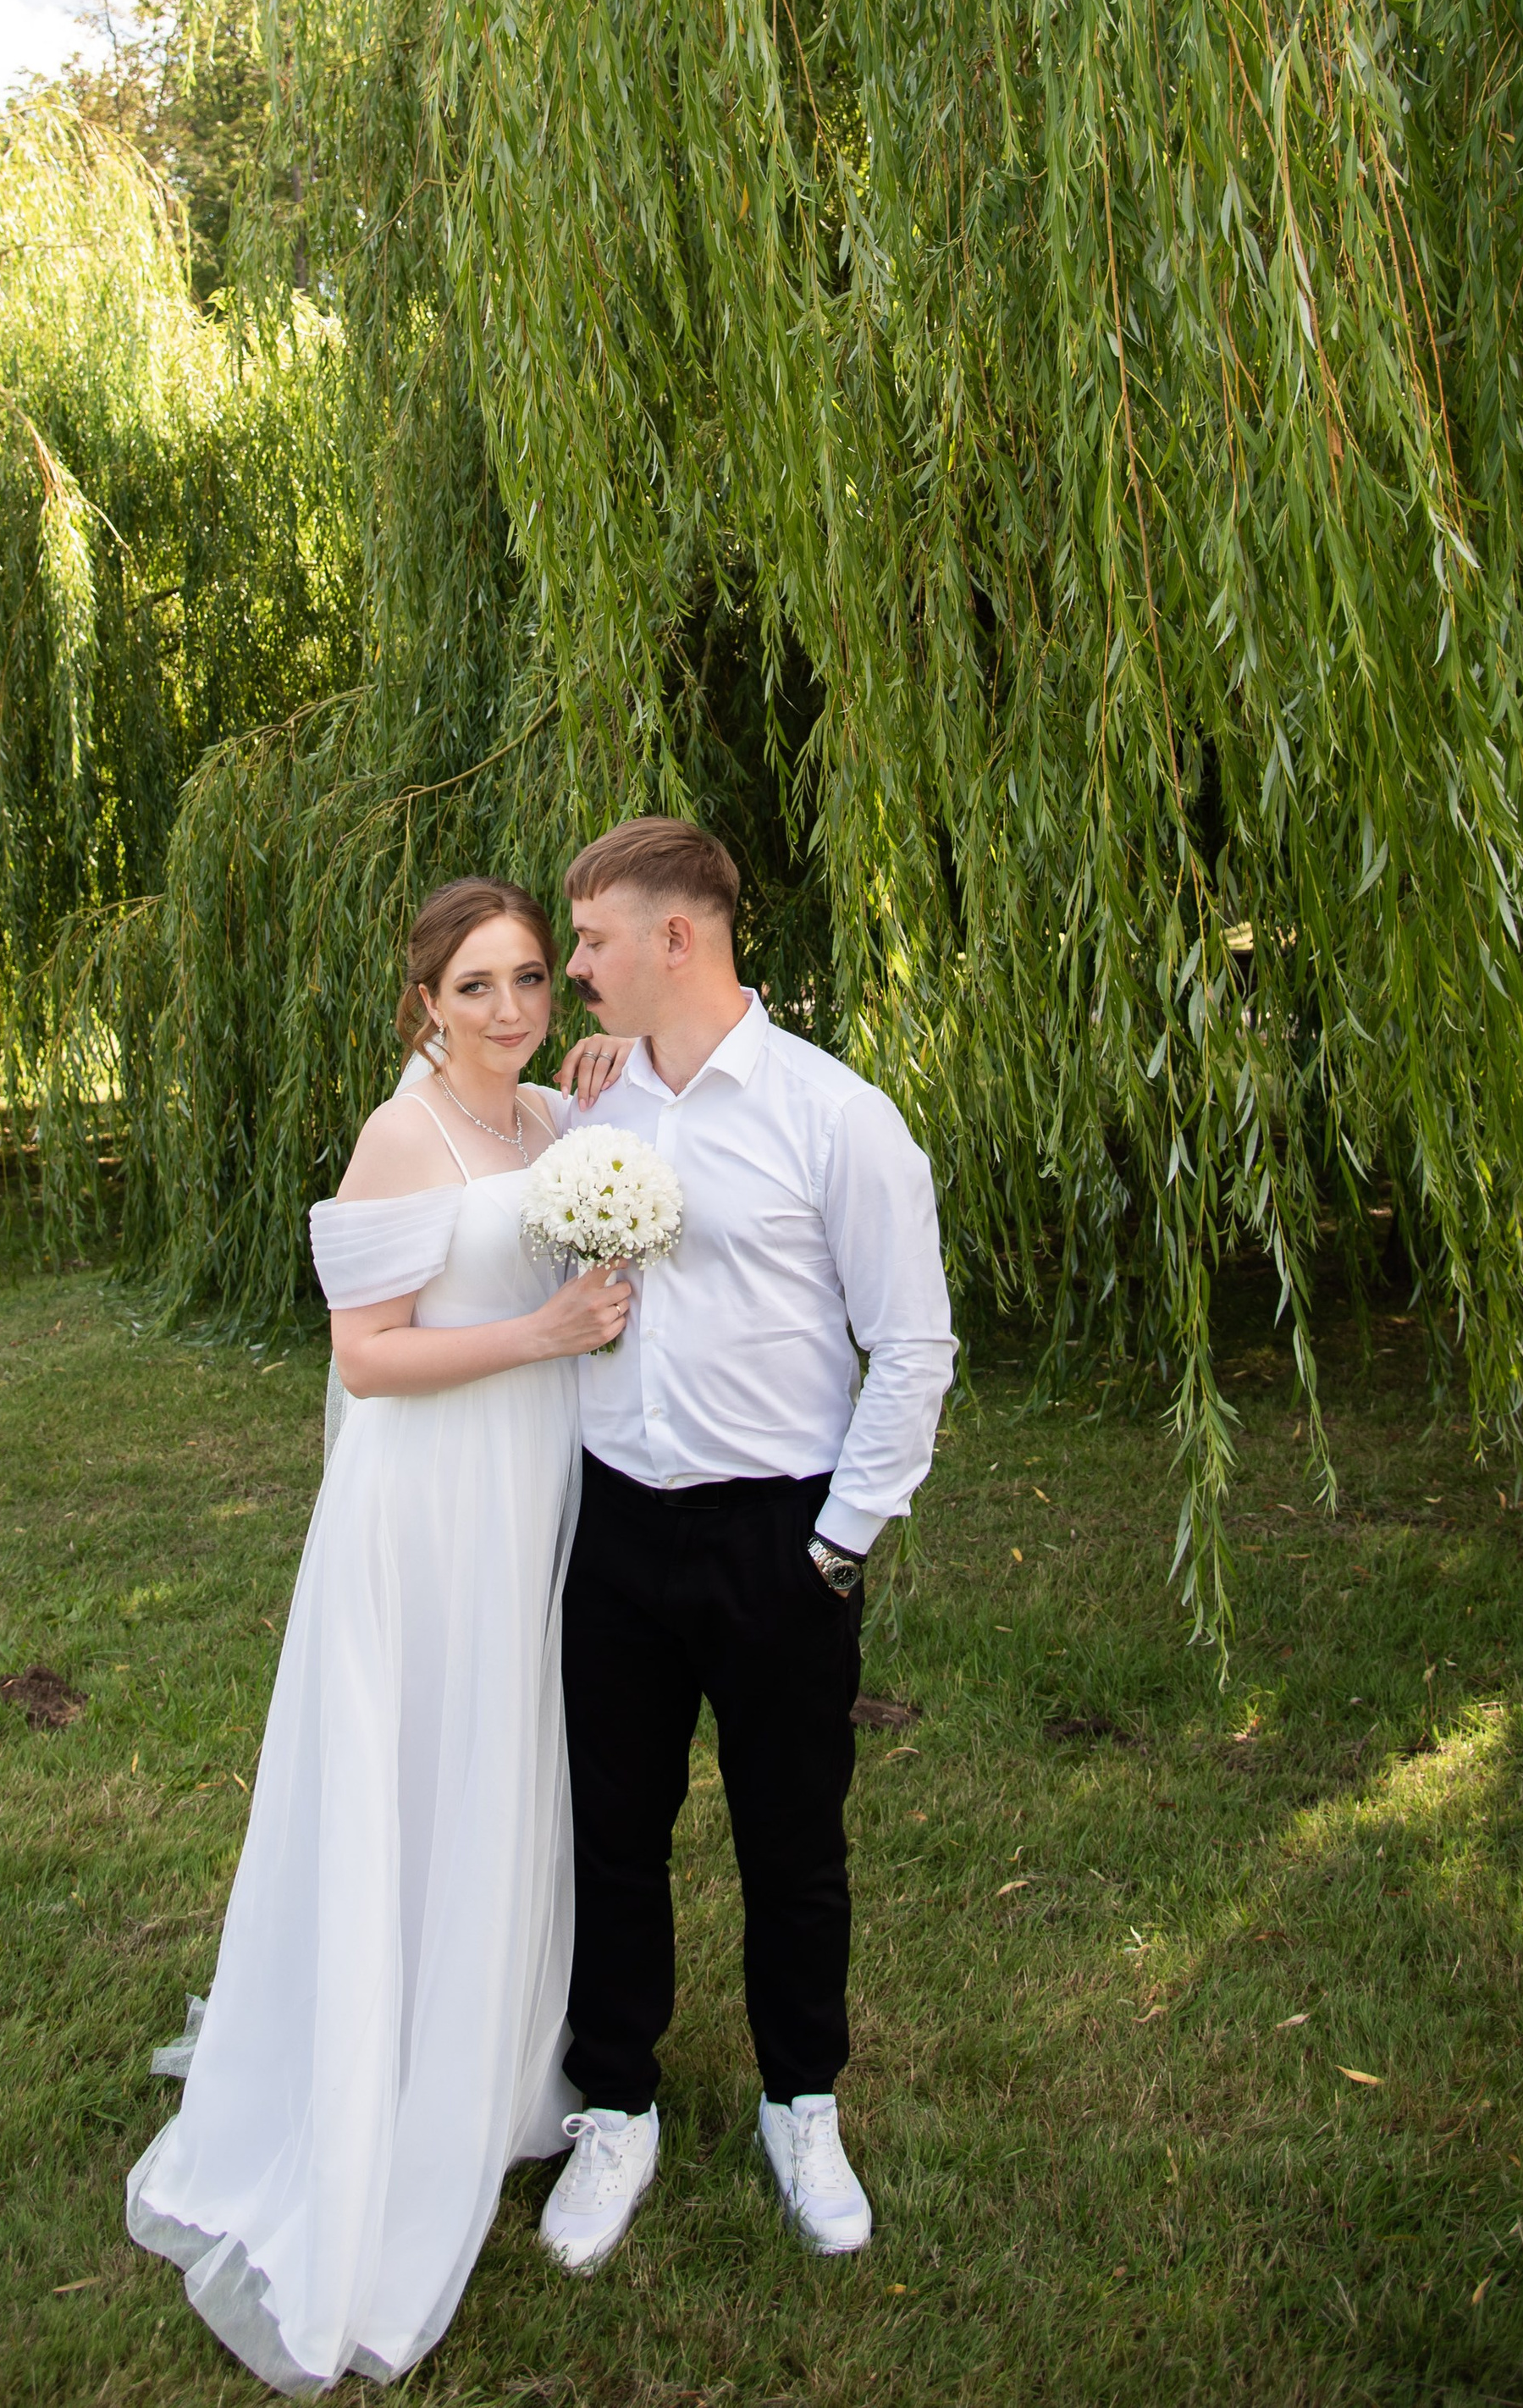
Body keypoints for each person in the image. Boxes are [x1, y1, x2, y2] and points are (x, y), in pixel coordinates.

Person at [126, 878, 634, 2393]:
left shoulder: (551, 1116)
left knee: (507, 1761)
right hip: (425, 1508)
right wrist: (545, 1334)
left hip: (532, 1491)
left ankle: (489, 2050)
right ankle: (377, 2073)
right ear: (424, 1000)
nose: (510, 1008)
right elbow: (368, 1351)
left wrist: (597, 1082)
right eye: (474, 985)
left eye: (531, 977)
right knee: (420, 1764)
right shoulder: (399, 1132)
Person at [537, 815, 954, 2275]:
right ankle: (617, 2105)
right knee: (612, 1828)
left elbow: (911, 1347)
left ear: (677, 939)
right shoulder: (587, 1113)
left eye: (589, 940)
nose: (566, 967)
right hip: (616, 1530)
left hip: (780, 1538)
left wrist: (835, 1547)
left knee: (792, 1835)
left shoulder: (836, 1116)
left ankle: (802, 2099)